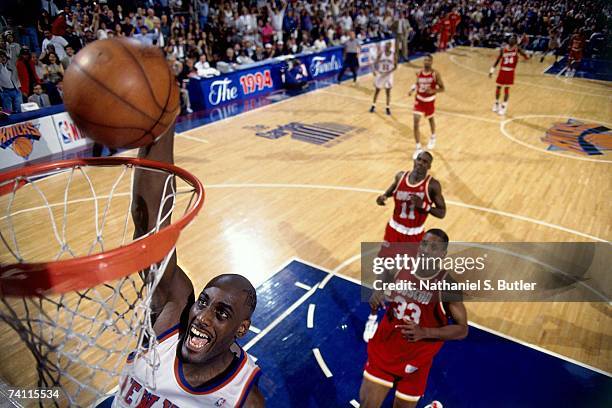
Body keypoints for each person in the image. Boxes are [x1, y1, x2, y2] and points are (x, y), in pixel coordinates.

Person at [101, 125, 265, 407]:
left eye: (222, 313)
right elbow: (150, 230)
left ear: (242, 329)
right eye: (203, 302)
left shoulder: (241, 399)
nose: (202, 317)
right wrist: (162, 122)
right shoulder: (172, 319)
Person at [360, 229, 468, 408]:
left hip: (417, 361)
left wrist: (424, 331)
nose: (426, 250)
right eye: (424, 244)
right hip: (385, 350)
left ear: (443, 254)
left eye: (434, 247)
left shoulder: (447, 285)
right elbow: (384, 276)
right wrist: (377, 292)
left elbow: (462, 329)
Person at [375, 151, 446, 246]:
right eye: (419, 159)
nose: (420, 163)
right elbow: (391, 191)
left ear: (429, 167)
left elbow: (442, 213)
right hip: (393, 229)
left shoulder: (432, 186)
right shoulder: (400, 177)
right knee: (385, 260)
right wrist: (383, 197)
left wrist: (423, 205)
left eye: (425, 162)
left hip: (414, 234)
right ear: (414, 161)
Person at [408, 55, 444, 158]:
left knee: (430, 119)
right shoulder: (419, 72)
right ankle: (418, 147)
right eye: (425, 60)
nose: (426, 62)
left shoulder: (435, 74)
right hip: (419, 100)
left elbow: (442, 88)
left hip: (429, 101)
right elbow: (417, 83)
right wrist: (412, 89)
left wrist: (433, 90)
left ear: (431, 62)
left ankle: (433, 136)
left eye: (428, 60)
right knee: (415, 122)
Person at [489, 35, 529, 115]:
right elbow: (498, 60)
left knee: (506, 89)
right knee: (498, 87)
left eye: (514, 39)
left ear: (515, 41)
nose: (512, 40)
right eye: (511, 39)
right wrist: (492, 70)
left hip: (510, 72)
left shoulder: (517, 49)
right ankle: (496, 103)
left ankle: (504, 106)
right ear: (508, 40)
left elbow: (525, 56)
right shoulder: (503, 49)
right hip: (502, 70)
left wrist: (526, 57)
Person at [370, 41, 396, 115]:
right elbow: (375, 62)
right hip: (381, 74)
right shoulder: (381, 54)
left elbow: (396, 66)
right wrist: (375, 70)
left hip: (388, 75)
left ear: (390, 46)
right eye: (386, 45)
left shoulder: (393, 55)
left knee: (388, 92)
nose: (386, 47)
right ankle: (373, 106)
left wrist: (389, 72)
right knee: (377, 91)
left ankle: (387, 108)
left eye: (388, 45)